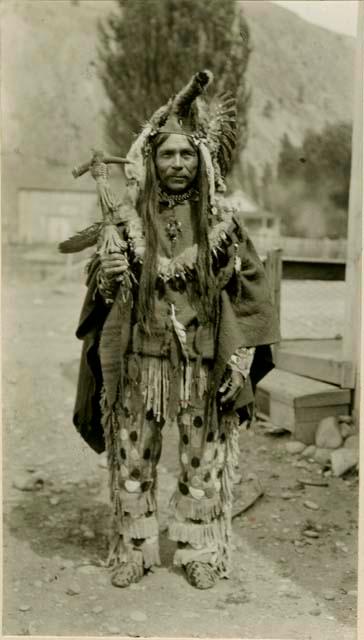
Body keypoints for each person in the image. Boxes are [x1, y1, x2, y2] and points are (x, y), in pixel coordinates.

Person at [69, 70, 280, 590]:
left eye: (187, 155)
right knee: (134, 457)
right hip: (141, 358)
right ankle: (135, 548)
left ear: (202, 161)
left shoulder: (222, 221)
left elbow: (251, 292)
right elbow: (103, 290)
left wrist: (241, 358)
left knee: (203, 460)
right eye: (168, 155)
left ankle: (197, 550)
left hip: (204, 361)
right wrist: (109, 274)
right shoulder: (125, 221)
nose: (178, 164)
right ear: (152, 160)